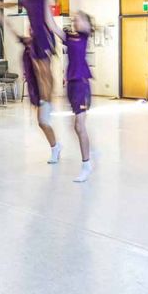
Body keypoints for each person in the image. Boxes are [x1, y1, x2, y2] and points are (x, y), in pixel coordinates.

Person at [0, 0, 62, 164]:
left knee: (43, 122)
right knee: (41, 123)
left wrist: (46, 96)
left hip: (44, 90)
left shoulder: (43, 48)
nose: (30, 31)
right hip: (35, 89)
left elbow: (46, 72)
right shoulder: (27, 42)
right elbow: (9, 26)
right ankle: (55, 146)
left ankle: (55, 148)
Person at [53, 10, 95, 182]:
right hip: (71, 85)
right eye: (74, 20)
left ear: (85, 23)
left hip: (82, 85)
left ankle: (86, 164)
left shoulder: (85, 36)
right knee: (76, 127)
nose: (75, 22)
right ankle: (89, 151)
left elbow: (85, 22)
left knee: (79, 126)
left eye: (78, 19)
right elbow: (53, 26)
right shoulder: (69, 38)